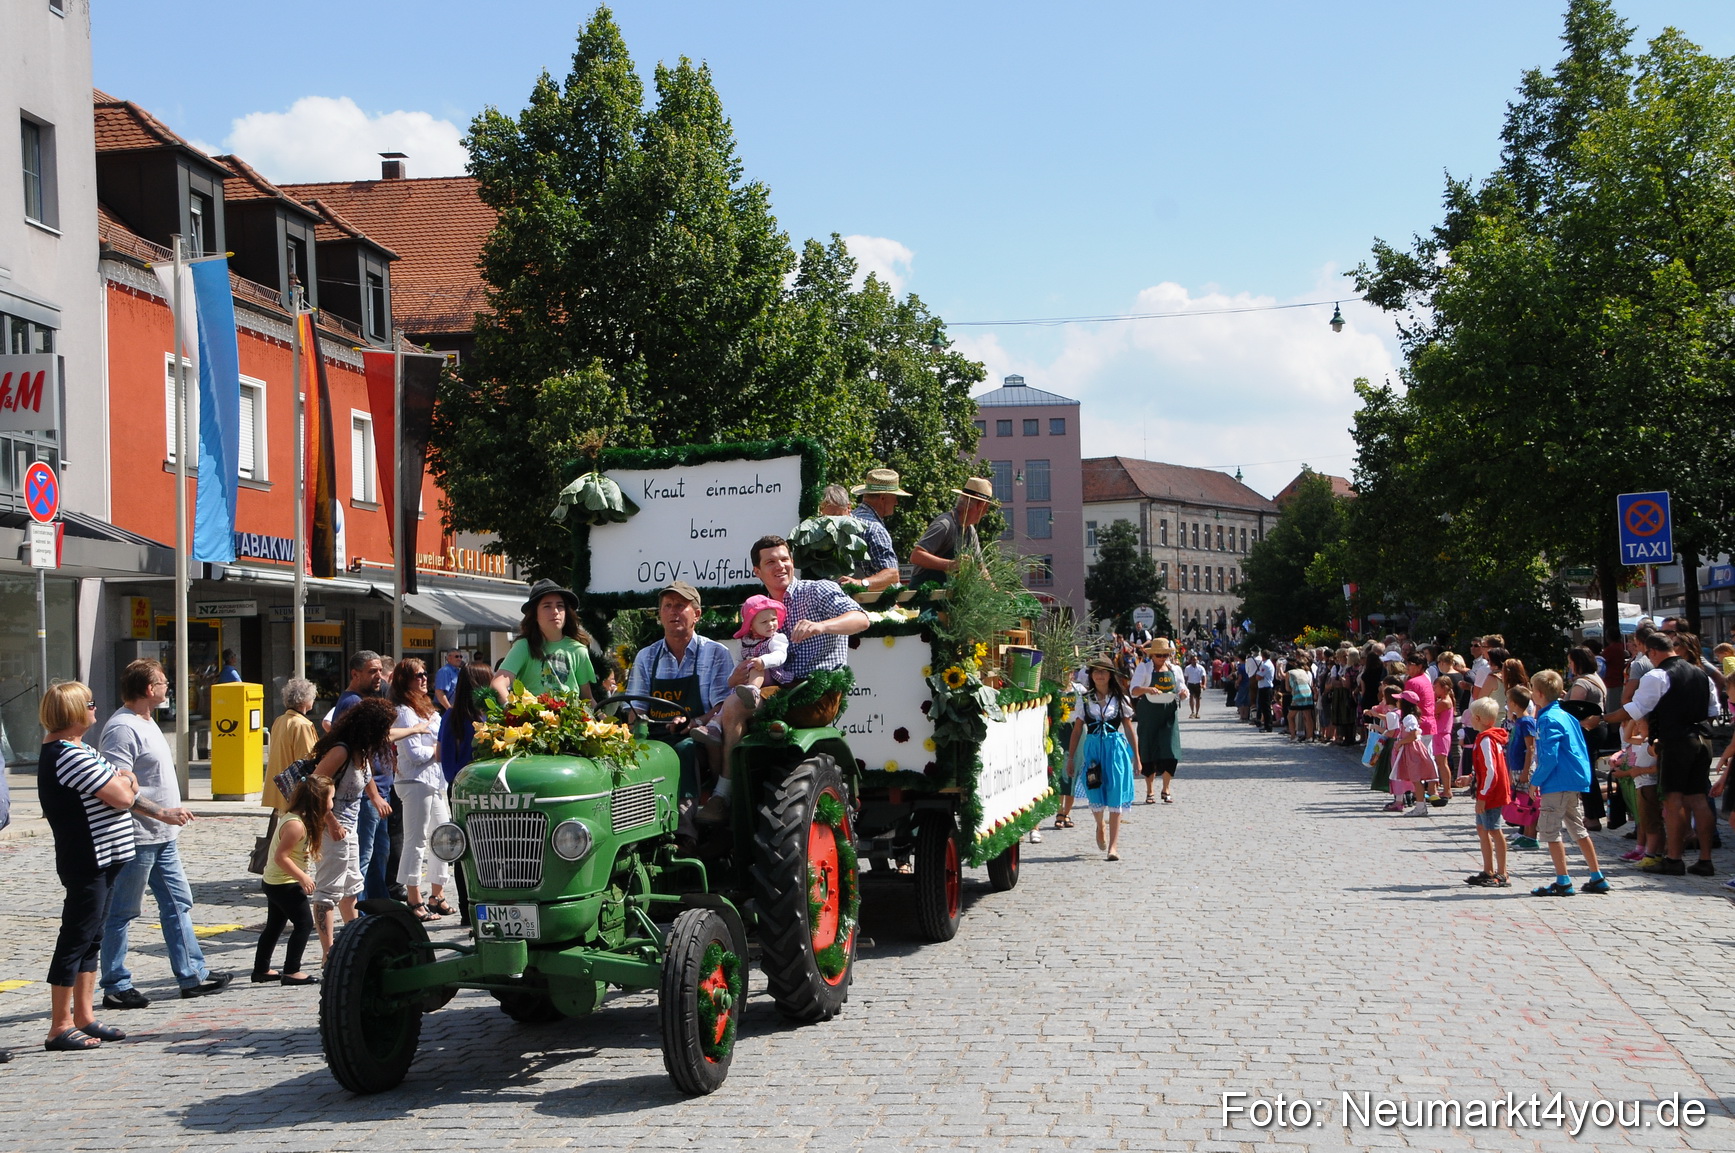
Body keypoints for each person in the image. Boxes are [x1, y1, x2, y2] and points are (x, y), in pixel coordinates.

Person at [97, 660, 230, 1009]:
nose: (168, 686)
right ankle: (115, 984)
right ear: (147, 689)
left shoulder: (147, 721)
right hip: (138, 837)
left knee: (178, 903)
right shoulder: (122, 728)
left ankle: (192, 976)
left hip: (162, 838)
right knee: (122, 911)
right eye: (162, 682)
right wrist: (160, 812)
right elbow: (116, 786)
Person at [713, 536, 871, 818]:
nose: (780, 566)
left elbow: (861, 620)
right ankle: (723, 793)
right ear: (757, 572)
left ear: (793, 563)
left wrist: (822, 626)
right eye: (770, 562)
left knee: (743, 711)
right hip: (778, 690)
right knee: (728, 707)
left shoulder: (818, 590)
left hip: (816, 694)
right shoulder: (758, 609)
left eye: (784, 559)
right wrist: (741, 673)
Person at [38, 682, 139, 1051]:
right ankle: (59, 1026)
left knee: (92, 938)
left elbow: (124, 784)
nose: (97, 708)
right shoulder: (68, 754)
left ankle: (84, 1016)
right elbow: (123, 795)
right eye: (91, 703)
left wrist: (124, 782)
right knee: (75, 938)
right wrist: (124, 782)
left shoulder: (81, 748)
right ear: (73, 712)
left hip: (107, 857)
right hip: (88, 859)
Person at [1589, 630, 1720, 876]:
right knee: (1699, 799)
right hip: (1702, 740)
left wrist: (1602, 718)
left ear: (1653, 652)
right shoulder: (1701, 674)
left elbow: (1634, 709)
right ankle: (1705, 859)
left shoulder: (1658, 675)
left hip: (1676, 741)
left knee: (1673, 800)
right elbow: (1713, 710)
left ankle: (1673, 859)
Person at [627, 581, 737, 823]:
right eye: (667, 606)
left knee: (683, 750)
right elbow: (635, 709)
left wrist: (695, 721)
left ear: (696, 614)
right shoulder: (646, 656)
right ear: (660, 615)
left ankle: (685, 831)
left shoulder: (715, 652)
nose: (673, 612)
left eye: (680, 606)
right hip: (654, 736)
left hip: (696, 738)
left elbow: (722, 706)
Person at [307, 697, 396, 958]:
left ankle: (354, 942)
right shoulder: (342, 751)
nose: (386, 735)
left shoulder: (362, 750)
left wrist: (376, 796)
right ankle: (329, 953)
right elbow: (314, 785)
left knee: (351, 887)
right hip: (331, 827)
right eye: (384, 729)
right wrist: (331, 822)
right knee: (328, 890)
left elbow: (364, 777)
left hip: (350, 826)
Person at [1525, 670, 1609, 896]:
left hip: (1557, 781)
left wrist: (1535, 781)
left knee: (1550, 831)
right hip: (1574, 779)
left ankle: (1563, 881)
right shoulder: (1566, 714)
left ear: (1539, 694)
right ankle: (1596, 876)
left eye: (1533, 689)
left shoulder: (1547, 718)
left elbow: (1549, 756)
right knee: (1577, 828)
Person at [327, 650, 395, 901]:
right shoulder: (353, 703)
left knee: (378, 855)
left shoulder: (359, 700)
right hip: (368, 795)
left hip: (378, 792)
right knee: (363, 859)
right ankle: (359, 912)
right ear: (355, 674)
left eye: (380, 670)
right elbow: (358, 757)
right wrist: (374, 795)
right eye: (372, 672)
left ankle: (379, 907)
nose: (379, 676)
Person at [253, 774, 331, 987]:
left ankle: (261, 969)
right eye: (330, 799)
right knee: (304, 924)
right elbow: (281, 857)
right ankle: (291, 971)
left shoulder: (296, 819)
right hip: (283, 883)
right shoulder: (296, 825)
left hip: (275, 882)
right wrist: (303, 877)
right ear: (318, 802)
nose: (332, 804)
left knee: (274, 926)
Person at [390, 658, 451, 922]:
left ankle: (437, 894)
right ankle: (413, 898)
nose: (424, 679)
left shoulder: (430, 709)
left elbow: (442, 741)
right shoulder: (404, 711)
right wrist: (437, 751)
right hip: (414, 781)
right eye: (418, 675)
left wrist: (439, 750)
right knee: (416, 841)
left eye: (426, 674)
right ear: (405, 680)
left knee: (445, 836)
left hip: (436, 781)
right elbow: (414, 753)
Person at [1065, 657, 1138, 860]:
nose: (1099, 675)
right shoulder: (1085, 698)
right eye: (1096, 671)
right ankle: (1100, 824)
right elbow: (1077, 729)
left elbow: (1130, 730)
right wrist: (1071, 758)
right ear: (1091, 675)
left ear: (1110, 675)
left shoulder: (1119, 698)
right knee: (1094, 791)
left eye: (1103, 672)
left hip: (1115, 749)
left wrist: (1138, 758)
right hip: (1093, 749)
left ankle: (1113, 847)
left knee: (1115, 794)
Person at [494, 579, 597, 703]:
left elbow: (587, 698)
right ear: (535, 614)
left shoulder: (578, 649)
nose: (555, 611)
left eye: (560, 606)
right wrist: (515, 711)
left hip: (571, 720)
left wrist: (604, 720)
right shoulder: (523, 647)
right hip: (533, 720)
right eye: (547, 606)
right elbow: (498, 684)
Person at [1461, 697, 1512, 887]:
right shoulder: (1487, 738)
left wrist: (1482, 796)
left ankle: (1502, 873)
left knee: (1494, 830)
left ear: (1479, 718)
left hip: (1490, 793)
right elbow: (1486, 768)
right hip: (1487, 790)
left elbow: (1491, 771)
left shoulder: (1485, 740)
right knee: (1483, 829)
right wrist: (1471, 777)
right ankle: (1488, 870)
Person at [908, 477, 994, 587]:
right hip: (924, 596)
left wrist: (996, 592)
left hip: (946, 598)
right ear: (980, 506)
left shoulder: (970, 531)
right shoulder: (945, 525)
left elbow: (980, 567)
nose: (985, 513)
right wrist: (952, 565)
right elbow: (916, 556)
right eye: (986, 508)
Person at [1130, 637, 1186, 804]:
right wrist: (1147, 689)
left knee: (1170, 748)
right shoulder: (1144, 668)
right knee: (1148, 748)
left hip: (1169, 711)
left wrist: (1183, 693)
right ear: (1152, 655)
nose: (1162, 658)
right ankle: (1150, 790)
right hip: (1149, 711)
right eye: (1159, 655)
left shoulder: (1175, 669)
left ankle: (1166, 788)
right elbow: (1133, 690)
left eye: (1165, 655)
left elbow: (1182, 687)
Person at [845, 468, 909, 591]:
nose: (896, 502)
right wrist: (861, 583)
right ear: (883, 498)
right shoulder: (876, 529)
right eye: (894, 497)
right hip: (873, 603)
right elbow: (892, 575)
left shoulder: (850, 518)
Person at [263, 677, 318, 813]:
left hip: (281, 788)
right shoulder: (302, 725)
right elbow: (307, 760)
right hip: (295, 792)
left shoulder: (280, 720)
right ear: (305, 700)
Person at [731, 593, 789, 707]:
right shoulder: (744, 642)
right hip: (748, 677)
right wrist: (732, 677)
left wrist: (763, 661)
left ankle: (753, 690)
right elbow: (738, 662)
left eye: (773, 619)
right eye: (764, 622)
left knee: (755, 666)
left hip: (771, 675)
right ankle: (716, 721)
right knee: (731, 697)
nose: (771, 624)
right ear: (751, 626)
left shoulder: (776, 638)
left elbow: (780, 655)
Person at [1286, 657, 1316, 742]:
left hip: (1298, 694)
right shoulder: (1306, 672)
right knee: (1308, 716)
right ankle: (1309, 736)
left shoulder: (1289, 673)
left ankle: (1293, 736)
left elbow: (1287, 688)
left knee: (1290, 716)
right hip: (1307, 693)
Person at [1254, 650, 1276, 732]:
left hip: (1265, 688)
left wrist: (1259, 675)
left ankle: (1268, 726)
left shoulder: (1266, 665)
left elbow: (1258, 677)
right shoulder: (1267, 664)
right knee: (1264, 707)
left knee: (1266, 708)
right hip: (1264, 687)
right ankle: (1266, 724)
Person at [1182, 652, 1205, 720]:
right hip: (1190, 684)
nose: (1195, 661)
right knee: (1191, 697)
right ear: (1191, 660)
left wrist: (1204, 684)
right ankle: (1192, 712)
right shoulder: (1187, 668)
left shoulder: (1201, 668)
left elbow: (1203, 676)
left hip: (1198, 684)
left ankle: (1197, 712)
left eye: (1195, 659)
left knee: (1198, 698)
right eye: (1193, 660)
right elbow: (1186, 677)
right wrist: (1184, 685)